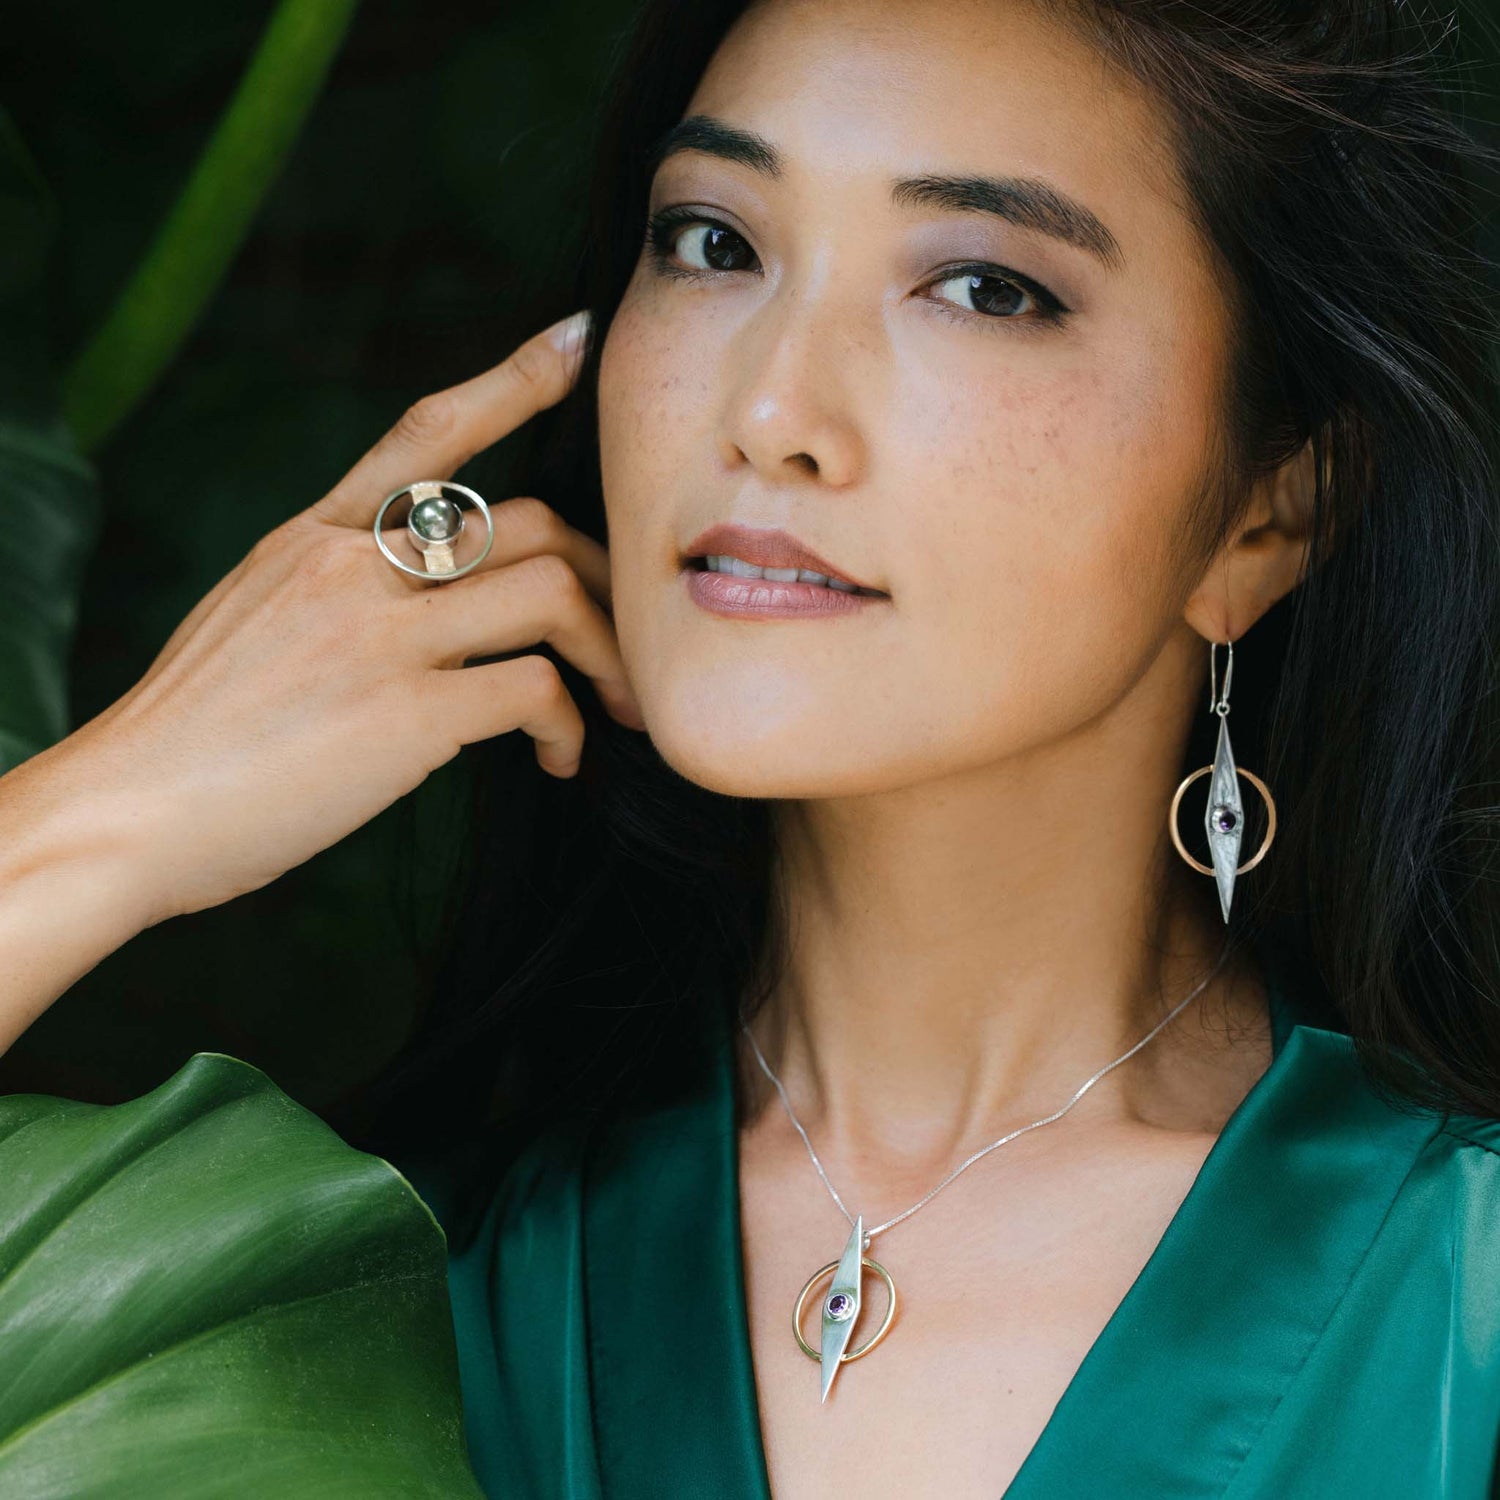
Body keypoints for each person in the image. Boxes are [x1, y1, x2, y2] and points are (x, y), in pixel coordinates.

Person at [3, 0, 1499, 1494]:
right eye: (715, 244)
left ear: (1268, 511)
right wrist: (108, 817)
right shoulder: (362, 1281)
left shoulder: (1458, 1318)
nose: (771, 410)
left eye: (981, 286)